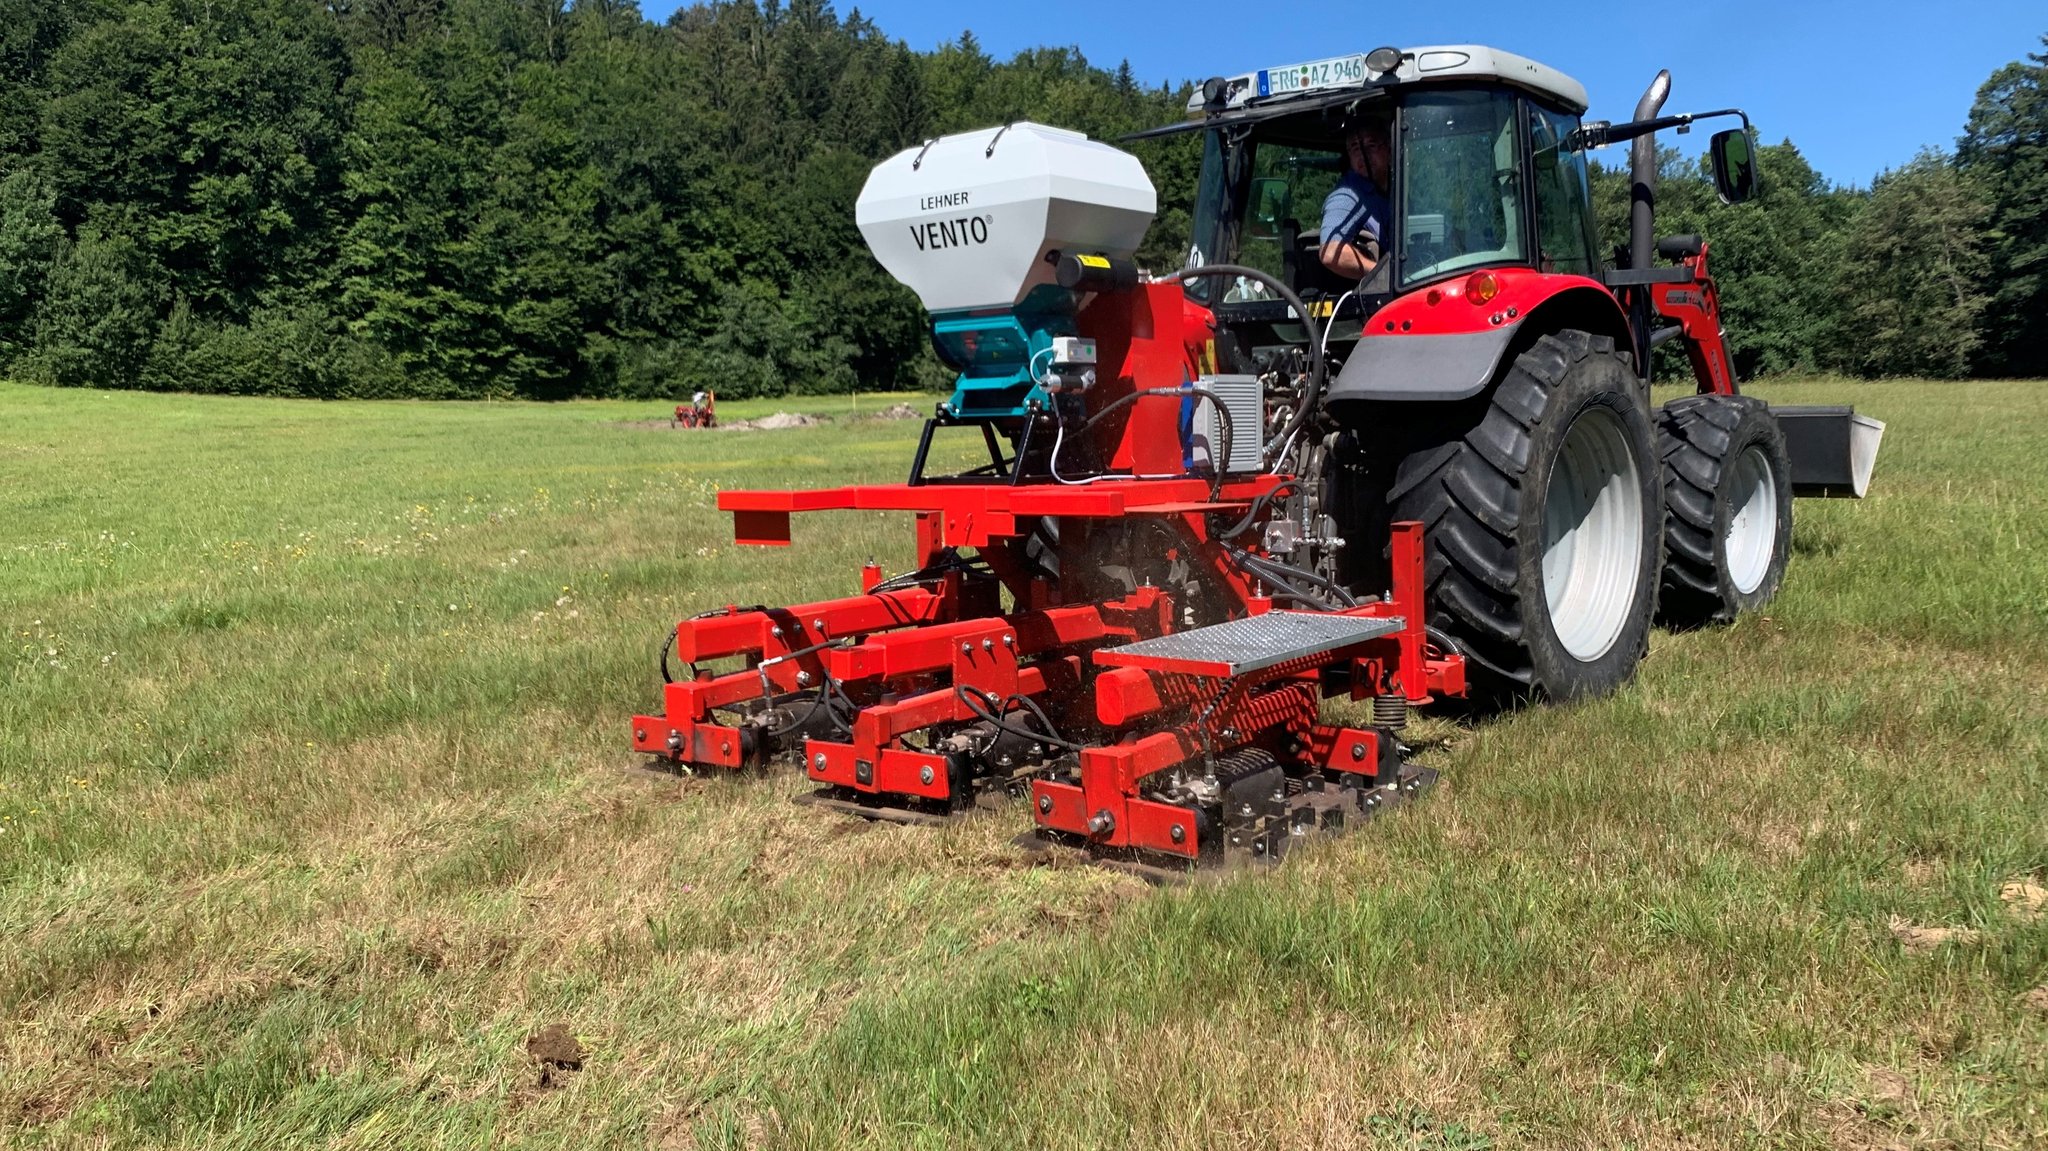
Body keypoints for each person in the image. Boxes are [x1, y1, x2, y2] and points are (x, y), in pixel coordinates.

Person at [1319, 119, 1392, 279]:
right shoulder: (1347, 194)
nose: (1363, 155)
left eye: (1371, 146)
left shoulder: (1398, 189)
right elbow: (1331, 253)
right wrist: (1385, 276)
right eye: (1355, 148)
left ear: (1389, 149)